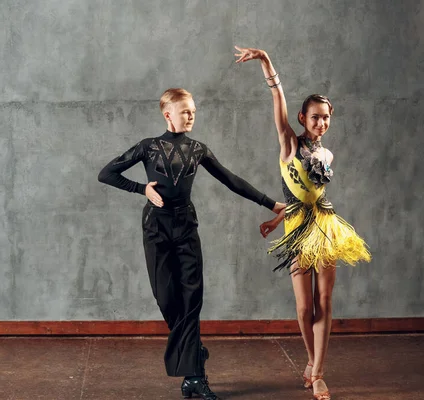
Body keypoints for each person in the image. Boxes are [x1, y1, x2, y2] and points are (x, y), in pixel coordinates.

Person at [98, 88, 285, 400]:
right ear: (168, 114)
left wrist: (271, 204)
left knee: (192, 299)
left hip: (186, 227)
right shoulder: (148, 147)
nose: (191, 115)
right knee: (166, 298)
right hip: (156, 228)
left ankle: (195, 376)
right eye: (185, 111)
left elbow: (231, 179)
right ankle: (195, 349)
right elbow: (107, 173)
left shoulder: (198, 149)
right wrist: (141, 188)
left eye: (193, 111)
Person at [235, 46, 371, 400]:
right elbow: (277, 103)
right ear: (301, 117)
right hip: (297, 232)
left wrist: (275, 216)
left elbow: (312, 196)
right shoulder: (289, 145)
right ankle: (311, 361)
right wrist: (266, 61)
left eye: (326, 117)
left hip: (326, 228)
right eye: (315, 117)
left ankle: (320, 372)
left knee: (325, 300)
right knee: (303, 307)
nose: (321, 123)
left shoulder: (327, 154)